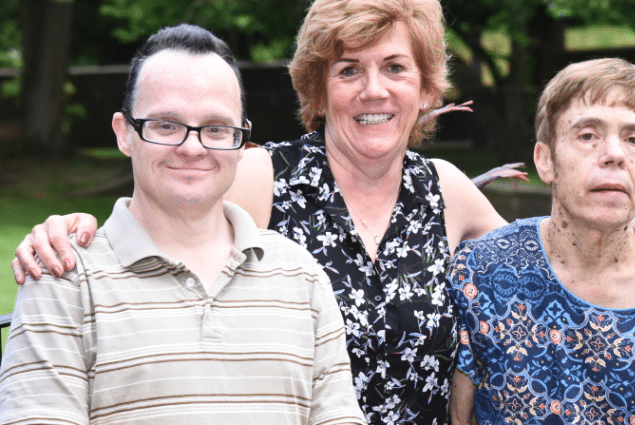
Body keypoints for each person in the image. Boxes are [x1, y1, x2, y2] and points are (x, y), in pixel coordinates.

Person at [10, 1, 635, 424]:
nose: (372, 89)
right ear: (320, 86)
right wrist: (72, 230)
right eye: (349, 69)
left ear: (425, 86)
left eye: (394, 67)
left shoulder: (446, 191)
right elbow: (169, 195)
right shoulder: (263, 177)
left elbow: (554, 263)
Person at [0, 24, 365, 425]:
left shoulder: (301, 275)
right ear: (125, 134)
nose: (192, 148)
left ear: (241, 142)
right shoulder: (62, 279)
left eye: (215, 128)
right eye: (166, 125)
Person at [447, 58, 635, 424]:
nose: (615, 154)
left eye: (634, 139)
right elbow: (456, 416)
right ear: (545, 161)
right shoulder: (483, 273)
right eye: (588, 135)